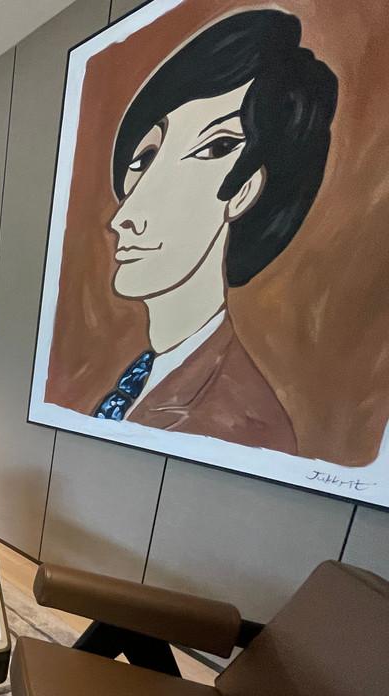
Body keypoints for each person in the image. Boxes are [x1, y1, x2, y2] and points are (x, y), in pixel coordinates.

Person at [92, 9, 337, 455]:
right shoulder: (152, 375)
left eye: (212, 148)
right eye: (143, 158)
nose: (124, 215)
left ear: (243, 191)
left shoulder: (236, 423)